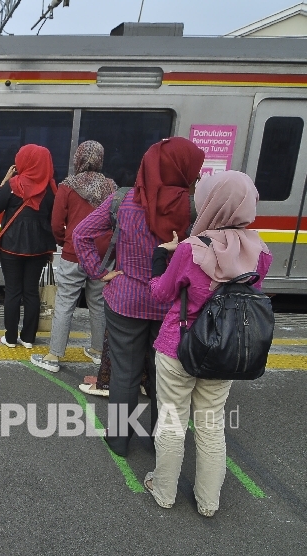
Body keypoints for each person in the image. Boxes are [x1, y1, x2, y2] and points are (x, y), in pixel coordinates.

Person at [144, 171, 271, 517]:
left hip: (179, 348)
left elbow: (161, 293)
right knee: (212, 424)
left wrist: (160, 257)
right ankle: (208, 502)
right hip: (226, 350)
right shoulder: (261, 252)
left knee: (172, 420)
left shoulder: (192, 249)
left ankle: (164, 491)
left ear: (211, 201)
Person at [72, 137, 205, 457]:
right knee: (166, 377)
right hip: (173, 305)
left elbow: (81, 234)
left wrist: (98, 272)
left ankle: (118, 440)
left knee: (125, 374)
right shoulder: (194, 208)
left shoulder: (122, 200)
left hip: (125, 299)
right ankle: (163, 444)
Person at [30, 140, 115, 372]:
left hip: (74, 253)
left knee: (65, 303)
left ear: (78, 159)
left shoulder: (68, 186)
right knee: (98, 303)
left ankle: (54, 357)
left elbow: (57, 223)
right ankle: (98, 351)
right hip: (103, 256)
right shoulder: (111, 187)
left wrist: (63, 242)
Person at [0, 144, 57, 349]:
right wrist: (50, 248)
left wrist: (4, 181)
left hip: (11, 247)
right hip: (39, 249)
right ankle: (28, 338)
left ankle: (10, 338)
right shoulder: (52, 189)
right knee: (31, 292)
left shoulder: (13, 184)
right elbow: (53, 220)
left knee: (13, 292)